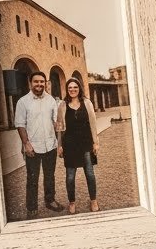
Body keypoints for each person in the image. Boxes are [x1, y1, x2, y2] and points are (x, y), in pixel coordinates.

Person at [14, 71, 63, 218]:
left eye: (42, 82)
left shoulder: (51, 101)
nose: (39, 84)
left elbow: (56, 123)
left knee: (50, 176)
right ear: (30, 83)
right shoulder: (23, 102)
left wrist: (59, 140)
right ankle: (32, 206)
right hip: (33, 147)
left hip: (50, 145)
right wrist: (26, 144)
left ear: (45, 83)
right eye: (36, 82)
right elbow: (20, 125)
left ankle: (50, 200)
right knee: (32, 178)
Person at [56, 77, 100, 214]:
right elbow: (59, 127)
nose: (72, 90)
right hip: (69, 145)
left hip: (86, 143)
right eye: (70, 88)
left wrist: (96, 142)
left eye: (75, 87)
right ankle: (72, 202)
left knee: (90, 174)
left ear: (79, 88)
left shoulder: (87, 103)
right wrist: (59, 145)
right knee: (70, 176)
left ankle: (93, 200)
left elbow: (93, 123)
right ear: (67, 90)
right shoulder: (62, 105)